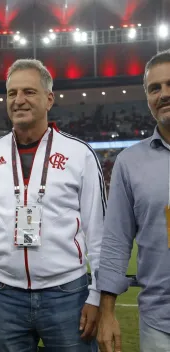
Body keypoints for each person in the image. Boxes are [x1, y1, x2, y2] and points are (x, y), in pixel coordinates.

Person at [0, 59, 106, 351]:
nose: (19, 100)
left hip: (67, 293)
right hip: (5, 294)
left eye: (29, 92)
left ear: (49, 99)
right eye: (12, 93)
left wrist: (97, 295)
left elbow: (98, 233)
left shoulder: (79, 154)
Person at [96, 49, 170, 352]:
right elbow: (116, 240)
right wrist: (108, 312)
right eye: (155, 88)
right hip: (160, 324)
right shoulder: (129, 162)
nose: (164, 94)